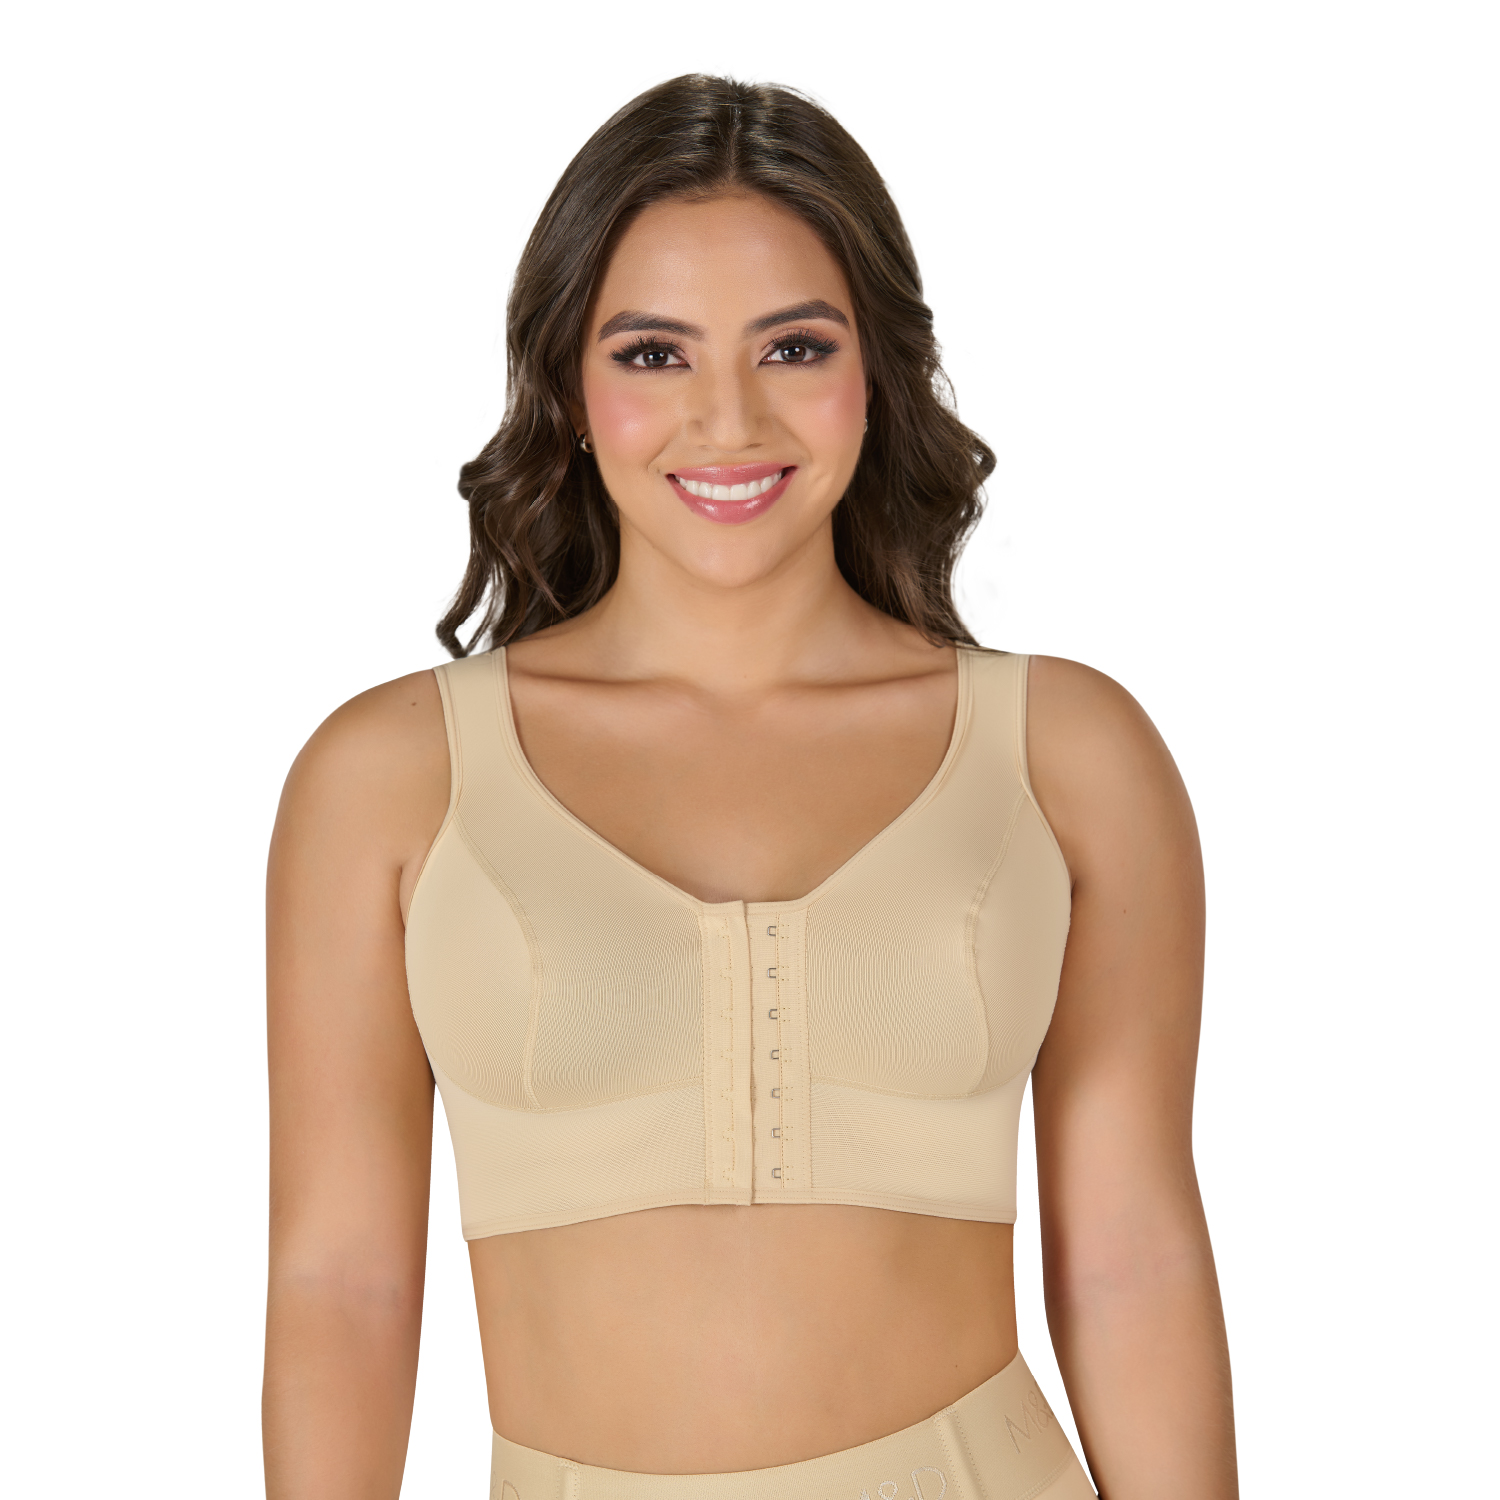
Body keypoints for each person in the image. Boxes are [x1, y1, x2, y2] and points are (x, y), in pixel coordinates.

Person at [263, 75, 1237, 1500]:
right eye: (654, 354)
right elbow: (338, 1283)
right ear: (568, 390)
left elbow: (1133, 1257)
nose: (727, 419)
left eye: (794, 346)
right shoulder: (391, 779)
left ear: (877, 374)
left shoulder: (1069, 755)